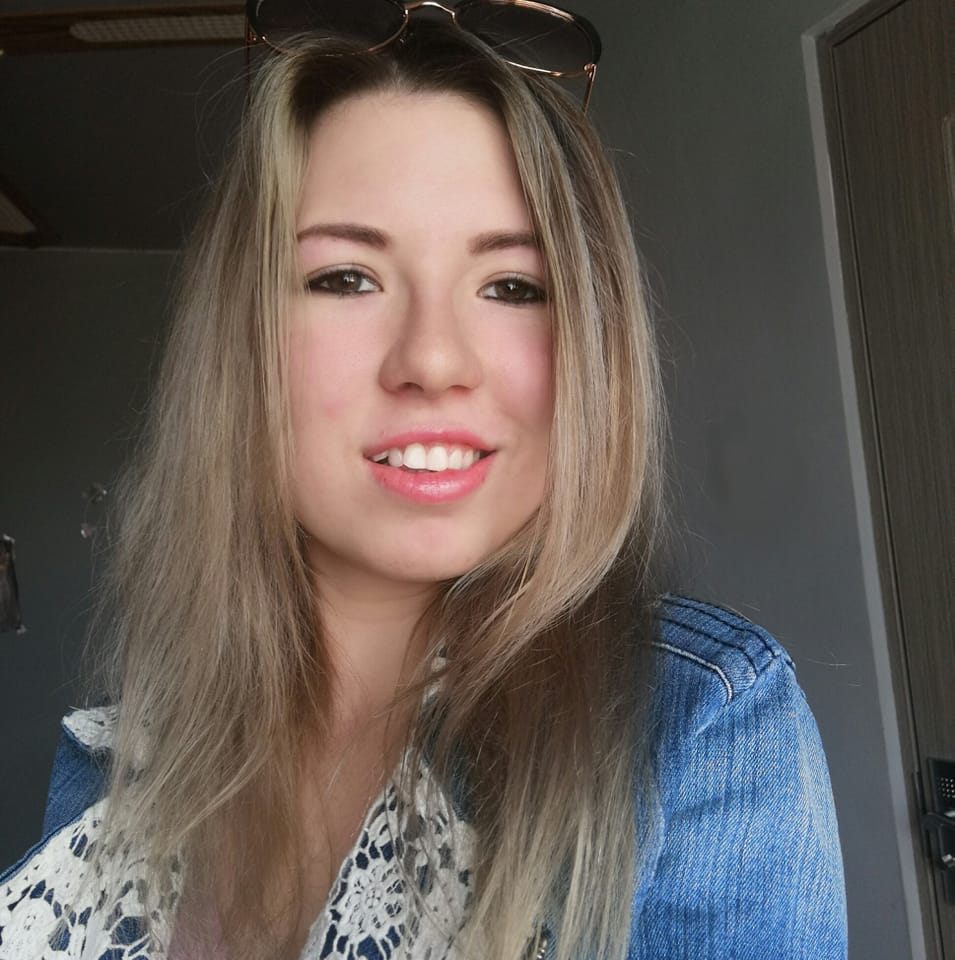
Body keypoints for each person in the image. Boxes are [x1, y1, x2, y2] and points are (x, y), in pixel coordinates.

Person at [0, 4, 847, 959]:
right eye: (346, 278)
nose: (433, 360)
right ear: (240, 341)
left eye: (512, 286)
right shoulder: (116, 764)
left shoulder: (697, 731)